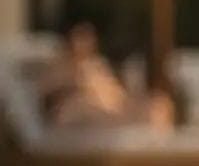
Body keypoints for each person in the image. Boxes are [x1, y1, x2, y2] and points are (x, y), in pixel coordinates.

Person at [37, 22, 172, 130]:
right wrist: (74, 84)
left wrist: (129, 101)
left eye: (88, 37)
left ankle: (159, 146)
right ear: (70, 39)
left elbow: (116, 93)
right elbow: (47, 94)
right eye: (81, 37)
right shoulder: (60, 66)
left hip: (113, 109)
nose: (86, 42)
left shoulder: (97, 64)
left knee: (160, 103)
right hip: (83, 112)